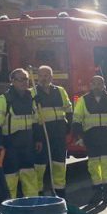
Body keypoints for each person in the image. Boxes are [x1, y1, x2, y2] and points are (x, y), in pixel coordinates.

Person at [0, 68, 43, 199]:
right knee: (10, 178)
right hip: (10, 145)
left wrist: (38, 139)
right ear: (12, 81)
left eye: (26, 79)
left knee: (30, 176)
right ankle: (11, 207)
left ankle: (32, 205)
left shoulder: (31, 99)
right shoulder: (3, 100)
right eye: (21, 79)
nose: (24, 82)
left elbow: (36, 121)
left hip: (27, 143)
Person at [72, 74, 107, 205]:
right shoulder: (83, 100)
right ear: (90, 85)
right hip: (91, 137)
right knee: (94, 166)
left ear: (104, 85)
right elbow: (77, 120)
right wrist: (79, 137)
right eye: (94, 84)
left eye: (99, 84)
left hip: (106, 136)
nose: (97, 86)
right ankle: (97, 192)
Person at [32, 66, 73, 198]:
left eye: (48, 75)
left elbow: (68, 109)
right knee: (40, 166)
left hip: (58, 133)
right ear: (38, 77)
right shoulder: (33, 92)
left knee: (59, 164)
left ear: (52, 77)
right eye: (42, 75)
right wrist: (37, 137)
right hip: (43, 133)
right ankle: (39, 193)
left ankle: (60, 193)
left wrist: (68, 126)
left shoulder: (60, 91)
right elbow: (33, 118)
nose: (45, 78)